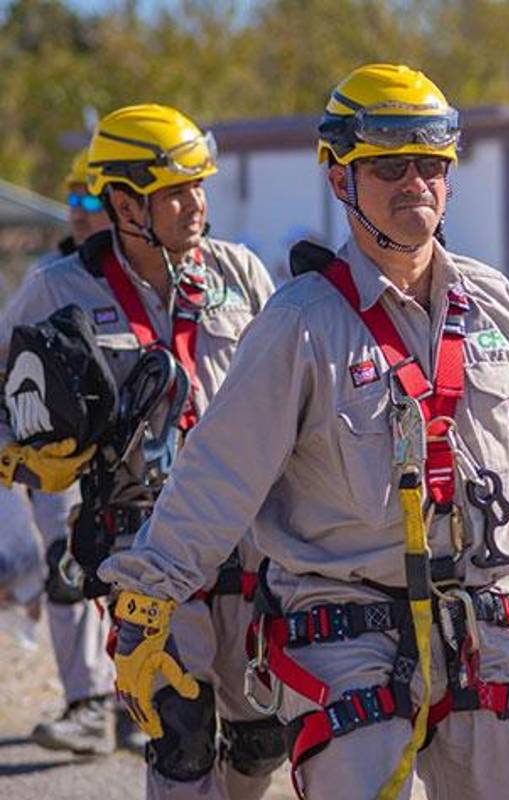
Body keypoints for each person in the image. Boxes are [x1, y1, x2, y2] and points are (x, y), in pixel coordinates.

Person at [96, 63, 509, 800]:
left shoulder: (496, 306)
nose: (415, 183)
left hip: (479, 624)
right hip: (342, 637)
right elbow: (217, 477)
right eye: (388, 167)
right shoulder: (300, 323)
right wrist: (148, 603)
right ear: (339, 179)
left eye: (431, 165)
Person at [0, 104, 283, 796]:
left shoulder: (241, 275)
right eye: (177, 191)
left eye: (200, 186)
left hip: (246, 548)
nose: (197, 205)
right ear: (124, 203)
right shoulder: (56, 292)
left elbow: (289, 397)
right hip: (143, 555)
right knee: (180, 738)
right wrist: (36, 462)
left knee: (262, 740)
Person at [0, 148, 121, 756]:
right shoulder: (49, 279)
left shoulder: (158, 277)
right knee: (66, 570)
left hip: (143, 464)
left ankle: (138, 705)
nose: (78, 211)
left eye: (91, 199)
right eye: (72, 198)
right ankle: (90, 703)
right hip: (63, 465)